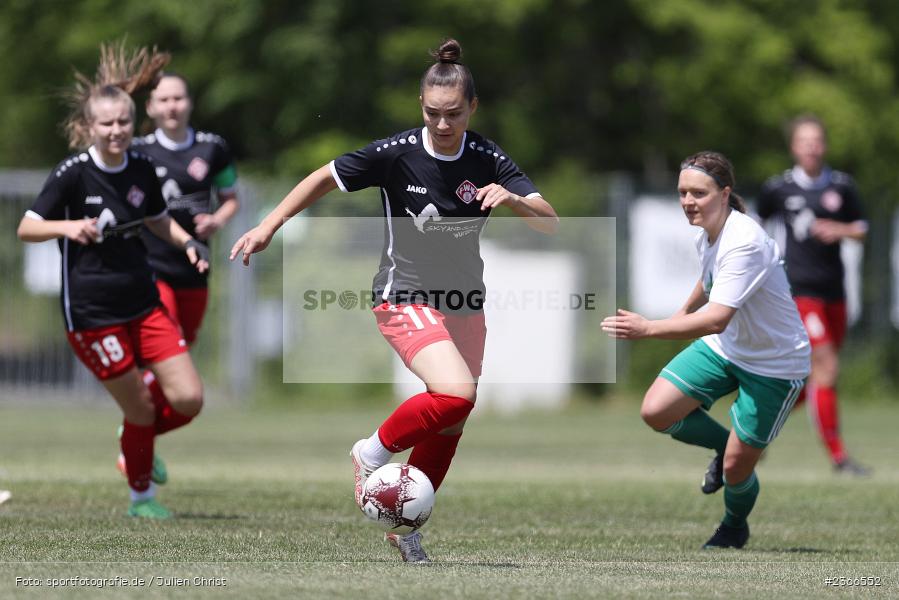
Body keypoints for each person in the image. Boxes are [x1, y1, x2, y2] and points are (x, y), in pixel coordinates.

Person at [231, 38, 558, 563]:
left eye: (453, 113)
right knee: (455, 393)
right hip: (401, 295)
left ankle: (404, 524)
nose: (443, 123)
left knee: (452, 416)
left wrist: (515, 199)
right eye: (433, 113)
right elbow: (323, 177)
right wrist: (269, 224)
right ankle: (372, 451)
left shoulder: (487, 157)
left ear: (472, 107)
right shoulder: (397, 153)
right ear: (420, 107)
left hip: (464, 301)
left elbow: (550, 222)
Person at [16, 43, 209, 519]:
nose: (117, 131)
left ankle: (133, 443)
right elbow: (27, 226)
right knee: (141, 407)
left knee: (188, 399)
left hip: (142, 301)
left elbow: (159, 219)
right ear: (90, 127)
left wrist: (187, 243)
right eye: (106, 124)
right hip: (91, 314)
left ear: (131, 121)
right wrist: (66, 227)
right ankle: (142, 497)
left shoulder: (143, 167)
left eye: (123, 122)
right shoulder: (73, 174)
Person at [602, 151, 810, 549]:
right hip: (730, 348)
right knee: (656, 410)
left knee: (737, 468)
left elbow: (717, 319)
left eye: (698, 192)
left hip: (775, 364)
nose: (687, 201)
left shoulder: (744, 241)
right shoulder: (709, 232)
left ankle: (734, 526)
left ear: (725, 193)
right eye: (682, 193)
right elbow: (709, 277)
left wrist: (649, 328)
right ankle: (721, 445)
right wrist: (682, 311)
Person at [756, 115, 869, 475]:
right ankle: (839, 457)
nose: (811, 146)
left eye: (817, 140)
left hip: (835, 291)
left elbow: (862, 228)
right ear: (794, 146)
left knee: (810, 380)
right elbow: (755, 226)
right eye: (804, 140)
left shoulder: (841, 186)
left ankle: (754, 434)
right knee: (827, 368)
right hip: (800, 292)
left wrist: (841, 229)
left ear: (825, 145)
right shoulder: (779, 189)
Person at [133, 71, 240, 347]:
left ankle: (151, 390)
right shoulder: (138, 152)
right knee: (169, 343)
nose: (172, 106)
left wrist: (216, 221)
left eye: (178, 98)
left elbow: (231, 199)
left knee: (184, 343)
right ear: (151, 107)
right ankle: (144, 390)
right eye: (164, 99)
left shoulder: (213, 148)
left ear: (190, 102)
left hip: (195, 263)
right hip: (150, 264)